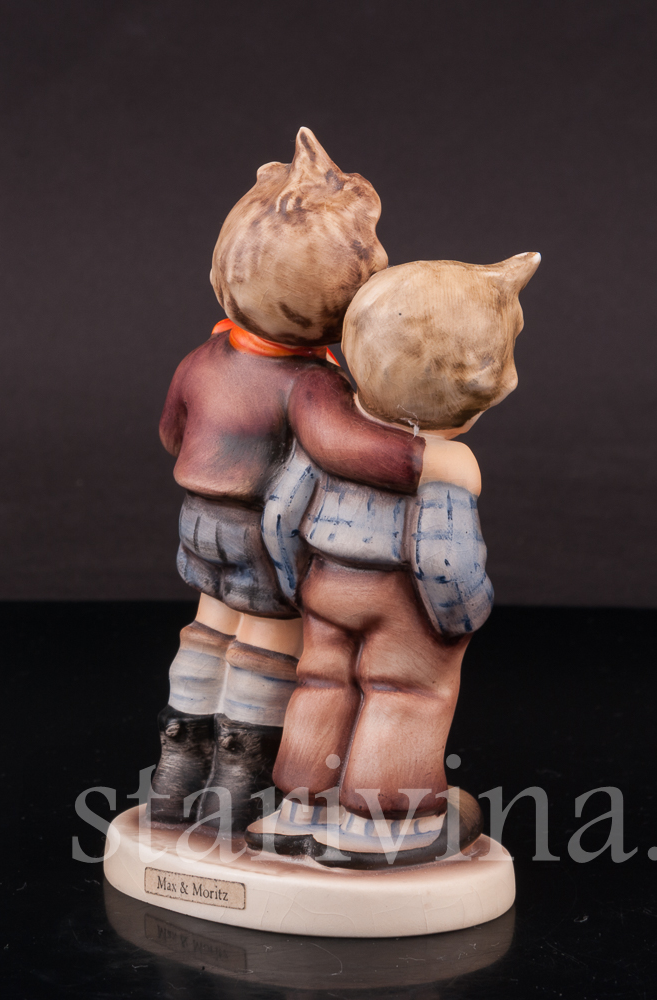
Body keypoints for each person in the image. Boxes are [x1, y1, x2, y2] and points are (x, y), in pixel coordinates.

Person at [152, 128, 434, 833]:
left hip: (197, 521)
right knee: (265, 642)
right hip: (259, 534)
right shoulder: (310, 383)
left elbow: (170, 433)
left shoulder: (203, 357)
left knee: (207, 630)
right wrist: (418, 458)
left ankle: (173, 778)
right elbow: (342, 448)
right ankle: (234, 790)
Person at [247, 252, 541, 867]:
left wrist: (297, 585)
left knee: (320, 683)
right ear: (481, 389)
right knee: (404, 693)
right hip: (401, 605)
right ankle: (379, 818)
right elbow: (443, 559)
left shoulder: (328, 440)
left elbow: (279, 513)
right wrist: (462, 617)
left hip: (327, 587)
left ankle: (301, 806)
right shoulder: (442, 468)